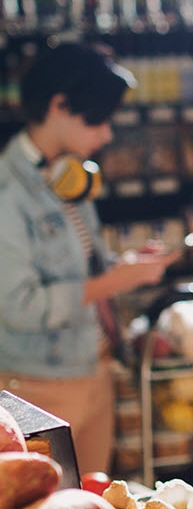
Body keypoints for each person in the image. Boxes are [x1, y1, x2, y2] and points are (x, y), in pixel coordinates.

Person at [0, 43, 179, 475]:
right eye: (97, 119)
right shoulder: (9, 190)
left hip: (94, 369)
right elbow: (18, 305)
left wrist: (121, 266)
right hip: (39, 385)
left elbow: (76, 265)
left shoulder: (68, 172)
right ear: (59, 106)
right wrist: (115, 282)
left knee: (95, 498)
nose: (106, 134)